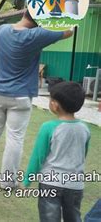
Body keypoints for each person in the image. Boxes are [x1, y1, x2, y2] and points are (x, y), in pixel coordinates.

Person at [0, 10, 74, 189]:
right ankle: (7, 182)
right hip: (20, 96)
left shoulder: (3, 30)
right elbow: (69, 31)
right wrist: (55, 21)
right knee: (15, 138)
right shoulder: (37, 34)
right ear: (39, 20)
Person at [23, 82, 90, 222]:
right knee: (74, 218)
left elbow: (38, 156)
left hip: (50, 183)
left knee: (49, 218)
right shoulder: (85, 129)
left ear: (55, 105)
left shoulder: (48, 127)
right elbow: (83, 155)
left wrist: (28, 179)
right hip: (75, 184)